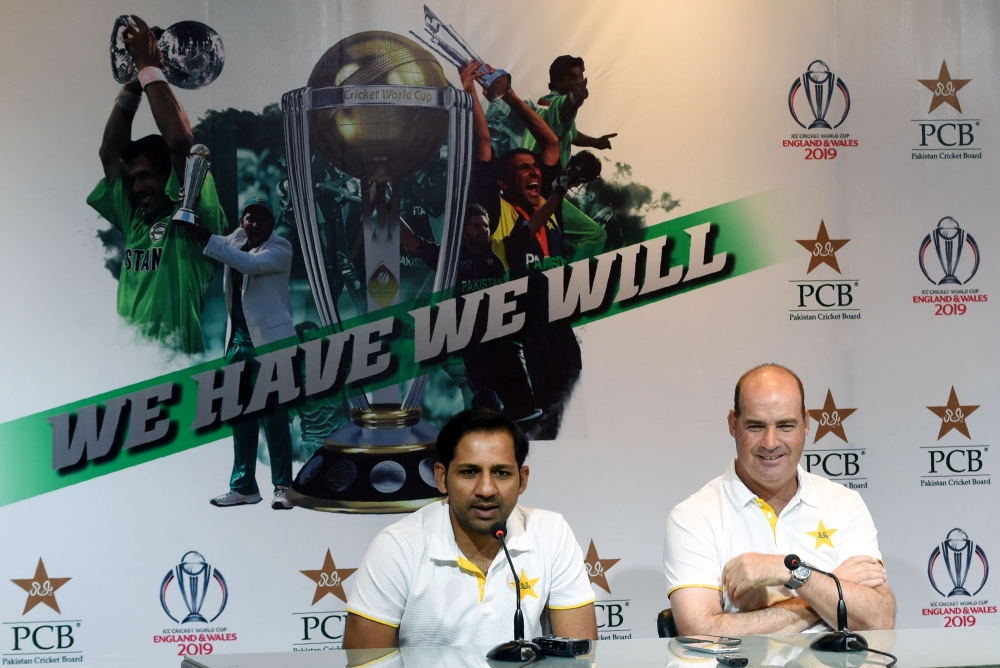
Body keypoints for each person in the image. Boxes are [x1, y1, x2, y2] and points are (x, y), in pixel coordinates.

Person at [663, 364, 896, 635]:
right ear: (733, 424)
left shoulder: (844, 503)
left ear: (807, 423)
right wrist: (829, 588)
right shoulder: (693, 517)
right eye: (755, 426)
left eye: (785, 425)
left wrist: (785, 570)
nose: (770, 442)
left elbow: (879, 619)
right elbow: (702, 633)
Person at [343, 409, 597, 648]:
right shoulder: (397, 546)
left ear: (523, 480)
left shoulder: (551, 533)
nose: (486, 489)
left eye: (501, 473)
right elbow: (364, 662)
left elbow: (579, 656)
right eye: (469, 472)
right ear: (441, 477)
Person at [87, 15, 226, 354]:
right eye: (133, 180)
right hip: (127, 372)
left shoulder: (194, 216)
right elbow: (109, 153)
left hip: (175, 377)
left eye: (145, 176)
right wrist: (133, 83)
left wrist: (150, 68)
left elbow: (180, 142)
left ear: (170, 178)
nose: (136, 188)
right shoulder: (136, 221)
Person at [188, 198, 296, 510]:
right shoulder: (236, 238)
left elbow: (246, 263)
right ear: (242, 220)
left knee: (275, 419)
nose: (256, 225)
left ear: (273, 223)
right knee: (241, 418)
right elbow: (212, 242)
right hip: (237, 345)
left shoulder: (281, 248)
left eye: (263, 219)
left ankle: (283, 488)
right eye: (250, 219)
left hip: (272, 346)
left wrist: (206, 237)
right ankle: (244, 486)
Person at [400, 203, 538, 421]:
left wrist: (560, 190)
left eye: (484, 225)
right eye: (475, 226)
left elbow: (532, 225)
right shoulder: (449, 259)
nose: (482, 229)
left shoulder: (502, 249)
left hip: (508, 348)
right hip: (475, 354)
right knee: (486, 415)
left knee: (526, 413)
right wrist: (383, 202)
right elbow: (410, 239)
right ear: (463, 232)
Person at [521, 55, 616, 262]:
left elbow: (570, 132)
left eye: (581, 76)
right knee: (594, 235)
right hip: (543, 192)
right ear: (558, 81)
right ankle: (570, 284)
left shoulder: (543, 103)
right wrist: (576, 98)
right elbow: (565, 109)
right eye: (573, 77)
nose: (579, 80)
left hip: (530, 189)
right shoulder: (556, 104)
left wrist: (596, 142)